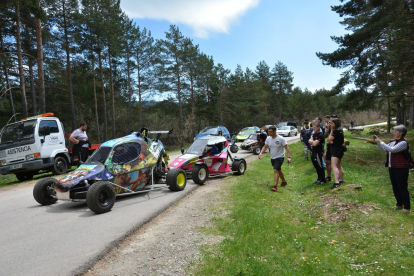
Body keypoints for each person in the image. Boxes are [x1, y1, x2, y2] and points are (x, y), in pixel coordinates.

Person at [374, 125, 410, 213]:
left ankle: (407, 207)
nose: (394, 133)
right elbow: (385, 149)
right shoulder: (393, 141)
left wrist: (381, 141)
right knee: (395, 186)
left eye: (395, 131)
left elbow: (392, 150)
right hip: (392, 167)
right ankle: (399, 204)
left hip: (401, 168)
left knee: (402, 187)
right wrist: (378, 143)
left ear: (401, 133)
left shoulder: (403, 143)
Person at [258, 125, 291, 191]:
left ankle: (275, 186)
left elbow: (287, 147)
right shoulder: (268, 138)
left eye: (270, 131)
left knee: (275, 170)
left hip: (280, 156)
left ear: (275, 131)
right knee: (278, 170)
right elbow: (265, 146)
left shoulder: (281, 138)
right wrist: (261, 153)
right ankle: (284, 181)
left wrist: (289, 157)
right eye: (268, 131)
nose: (269, 133)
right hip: (273, 157)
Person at [328, 118, 345, 189]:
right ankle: (341, 180)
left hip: (336, 149)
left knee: (333, 166)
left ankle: (336, 182)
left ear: (335, 123)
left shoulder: (336, 131)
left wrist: (331, 130)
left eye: (331, 123)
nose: (330, 124)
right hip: (339, 149)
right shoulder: (340, 130)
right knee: (338, 165)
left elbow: (329, 139)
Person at [309, 120, 325, 184]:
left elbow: (315, 144)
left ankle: (323, 179)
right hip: (313, 152)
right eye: (313, 128)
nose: (314, 129)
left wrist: (313, 142)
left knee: (320, 165)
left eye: (315, 127)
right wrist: (313, 142)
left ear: (318, 127)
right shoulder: (315, 134)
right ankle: (319, 178)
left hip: (318, 152)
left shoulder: (321, 135)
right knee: (316, 166)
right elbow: (309, 140)